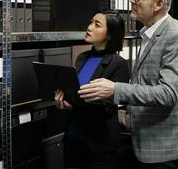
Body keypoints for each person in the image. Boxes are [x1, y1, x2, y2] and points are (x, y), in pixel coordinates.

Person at [78, 0, 178, 169]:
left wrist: (115, 89)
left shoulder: (177, 36)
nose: (131, 0)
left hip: (164, 147)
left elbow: (168, 93)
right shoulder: (148, 34)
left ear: (158, 4)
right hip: (147, 140)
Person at [54, 10, 130, 169]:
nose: (89, 27)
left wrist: (78, 102)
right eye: (91, 22)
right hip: (73, 139)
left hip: (100, 145)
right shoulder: (82, 58)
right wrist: (66, 103)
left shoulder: (119, 64)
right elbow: (75, 93)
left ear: (109, 35)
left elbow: (110, 104)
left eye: (97, 25)